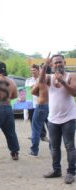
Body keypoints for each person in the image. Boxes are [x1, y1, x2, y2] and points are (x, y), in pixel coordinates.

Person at [43, 54, 76, 184]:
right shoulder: (49, 78)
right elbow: (39, 82)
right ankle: (56, 170)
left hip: (69, 118)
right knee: (54, 147)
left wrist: (62, 81)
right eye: (55, 63)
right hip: (53, 119)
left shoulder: (71, 76)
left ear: (65, 63)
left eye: (60, 62)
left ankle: (71, 172)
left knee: (70, 146)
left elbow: (74, 93)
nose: (58, 64)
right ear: (52, 65)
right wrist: (44, 66)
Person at [29, 61, 50, 157]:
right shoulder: (57, 79)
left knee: (36, 129)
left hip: (41, 105)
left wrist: (40, 94)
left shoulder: (42, 79)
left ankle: (34, 151)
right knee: (52, 129)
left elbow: (32, 91)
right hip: (52, 106)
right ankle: (53, 149)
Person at [24, 64, 49, 142]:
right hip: (31, 103)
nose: (33, 72)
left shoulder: (41, 79)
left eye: (34, 70)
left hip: (41, 103)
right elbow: (26, 92)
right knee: (33, 120)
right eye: (31, 70)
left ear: (38, 71)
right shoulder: (28, 80)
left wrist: (35, 86)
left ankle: (44, 135)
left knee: (45, 120)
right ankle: (35, 135)